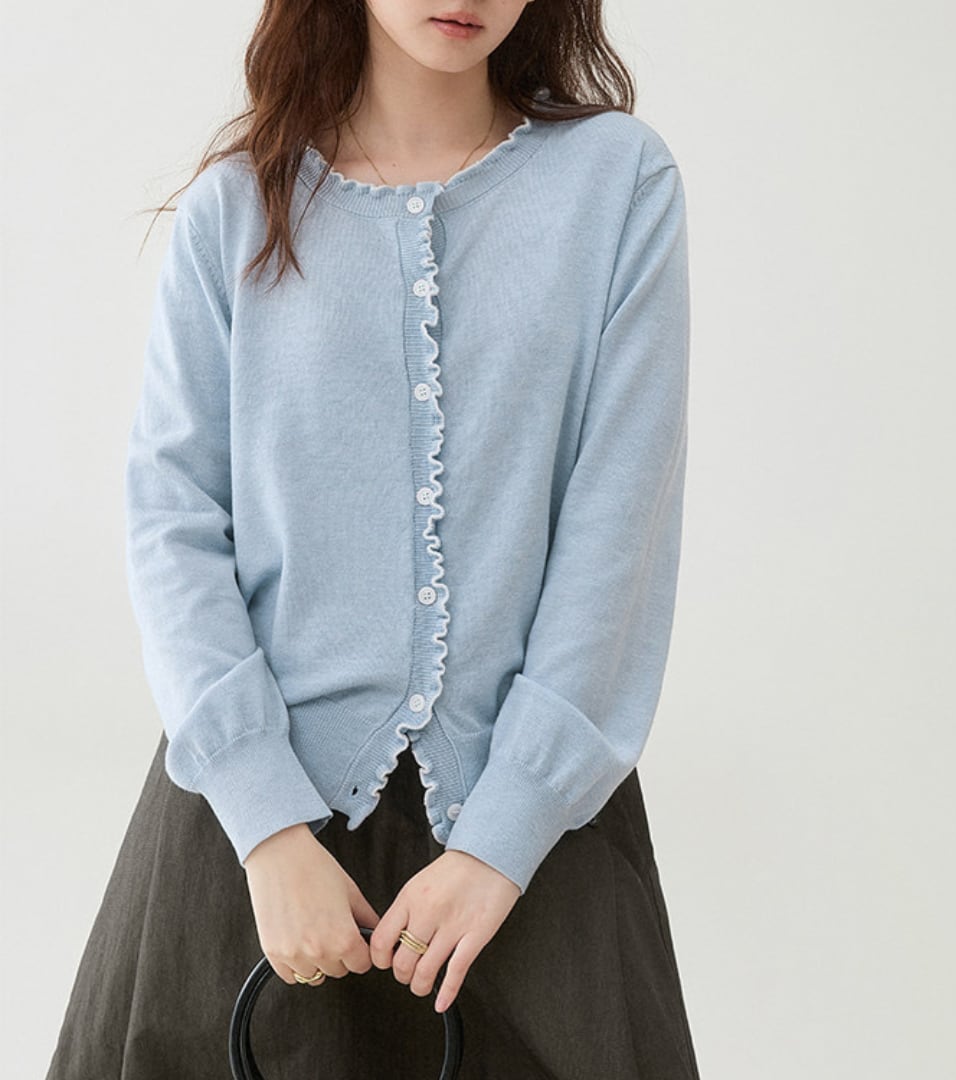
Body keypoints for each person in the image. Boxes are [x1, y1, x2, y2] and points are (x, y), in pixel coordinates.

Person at [46, 1, 701, 1076]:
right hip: (256, 850)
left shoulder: (617, 183)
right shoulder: (234, 211)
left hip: (534, 852)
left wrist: (501, 842)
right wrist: (267, 830)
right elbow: (173, 523)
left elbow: (616, 532)